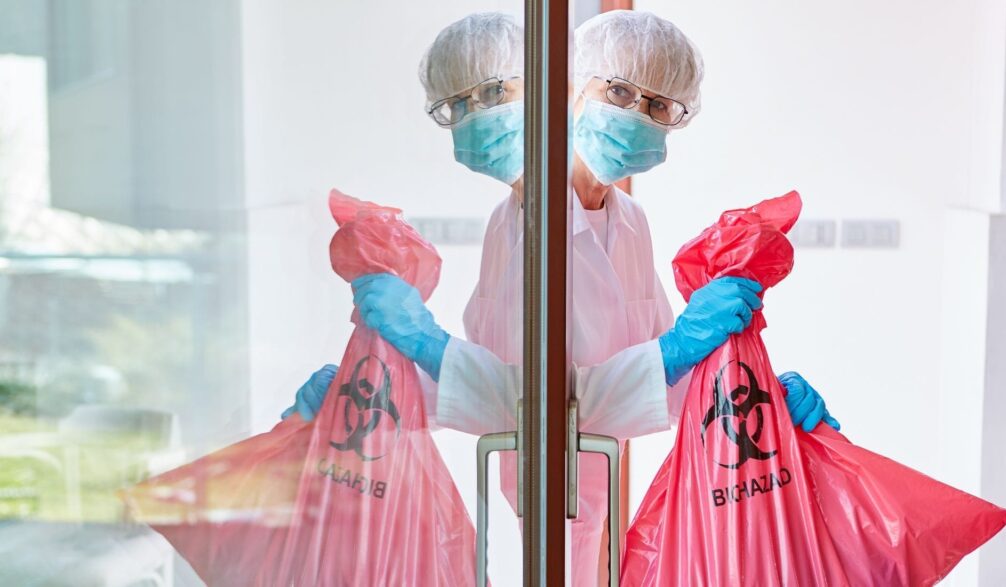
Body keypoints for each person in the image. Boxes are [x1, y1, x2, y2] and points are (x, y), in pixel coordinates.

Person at [282, 10, 839, 585]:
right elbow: (530, 399)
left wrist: (754, 397)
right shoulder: (511, 224)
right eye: (619, 91)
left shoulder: (630, 222)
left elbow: (636, 388)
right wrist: (380, 388)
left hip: (586, 484)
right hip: (550, 487)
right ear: (570, 89)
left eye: (656, 104)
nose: (636, 115)